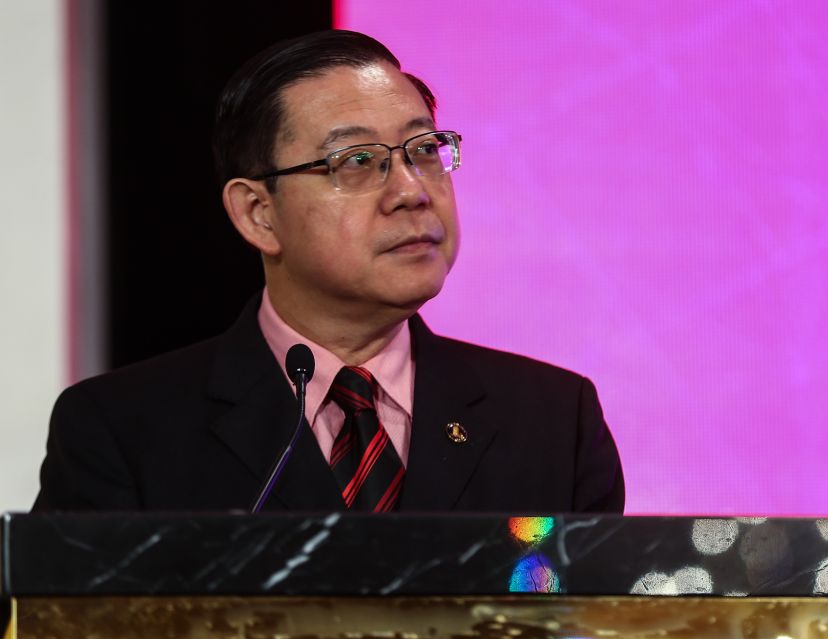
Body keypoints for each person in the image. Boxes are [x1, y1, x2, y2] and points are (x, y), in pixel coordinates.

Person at [33, 30, 625, 513]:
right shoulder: (122, 430)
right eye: (357, 161)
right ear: (258, 214)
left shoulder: (553, 421)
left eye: (424, 151)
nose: (412, 192)